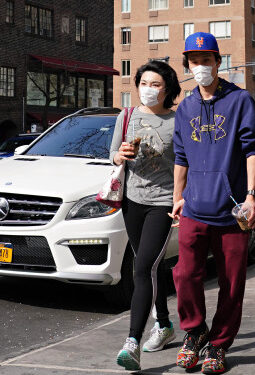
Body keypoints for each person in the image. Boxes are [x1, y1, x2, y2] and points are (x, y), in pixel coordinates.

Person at [170, 32, 255, 374]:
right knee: (185, 275)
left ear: (218, 62)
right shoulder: (185, 107)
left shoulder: (239, 101)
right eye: (194, 62)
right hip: (194, 207)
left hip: (233, 210)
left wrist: (251, 196)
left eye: (206, 60)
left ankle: (219, 344)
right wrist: (177, 197)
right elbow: (181, 157)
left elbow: (252, 150)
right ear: (188, 65)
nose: (200, 67)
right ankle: (194, 333)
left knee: (233, 281)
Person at [111, 60, 182, 371]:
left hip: (162, 202)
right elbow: (112, 153)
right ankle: (165, 324)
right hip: (132, 200)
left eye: (155, 84)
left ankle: (132, 343)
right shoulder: (126, 116)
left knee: (141, 269)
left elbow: (184, 163)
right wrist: (120, 154)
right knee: (152, 266)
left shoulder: (178, 121)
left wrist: (182, 199)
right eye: (144, 83)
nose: (148, 89)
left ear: (167, 89)